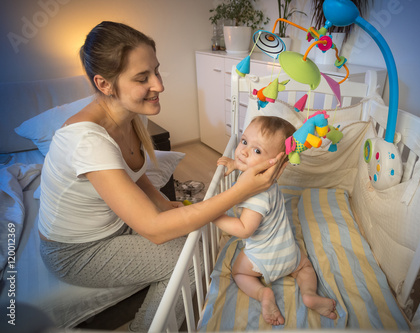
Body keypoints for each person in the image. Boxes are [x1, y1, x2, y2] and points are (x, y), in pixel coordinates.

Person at [37, 21, 287, 332]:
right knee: (191, 257)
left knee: (184, 224)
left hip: (113, 227)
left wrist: (160, 200)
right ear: (104, 84)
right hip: (76, 251)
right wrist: (240, 191)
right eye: (143, 78)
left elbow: (131, 170)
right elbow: (155, 231)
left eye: (156, 70)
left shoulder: (128, 116)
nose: (159, 85)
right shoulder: (87, 141)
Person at [213, 116, 337, 326]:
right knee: (305, 268)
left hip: (262, 258)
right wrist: (236, 164)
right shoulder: (266, 180)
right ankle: (309, 294)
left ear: (277, 164)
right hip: (289, 253)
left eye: (257, 150)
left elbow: (244, 229)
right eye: (244, 142)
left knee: (238, 272)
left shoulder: (257, 194)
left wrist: (214, 215)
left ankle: (263, 294)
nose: (243, 151)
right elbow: (249, 165)